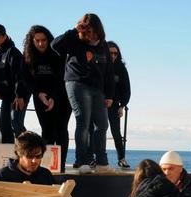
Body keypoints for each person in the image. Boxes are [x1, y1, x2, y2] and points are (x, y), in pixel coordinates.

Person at [51, 13, 114, 174]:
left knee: (102, 125)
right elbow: (55, 45)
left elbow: (108, 72)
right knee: (83, 122)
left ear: (98, 29)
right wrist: (74, 30)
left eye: (90, 30)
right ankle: (82, 161)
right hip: (77, 84)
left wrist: (110, 95)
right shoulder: (75, 41)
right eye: (85, 29)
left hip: (98, 88)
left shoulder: (103, 45)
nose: (88, 33)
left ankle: (101, 162)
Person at [23, 25, 72, 173]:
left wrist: (53, 98)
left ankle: (61, 166)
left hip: (61, 97)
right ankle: (48, 166)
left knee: (61, 129)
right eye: (37, 41)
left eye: (43, 40)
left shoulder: (57, 54)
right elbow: (27, 79)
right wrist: (39, 94)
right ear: (32, 41)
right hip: (40, 98)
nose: (40, 44)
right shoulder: (27, 56)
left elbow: (62, 78)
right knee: (47, 131)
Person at [0, 131, 57, 197]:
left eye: (38, 156)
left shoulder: (46, 175)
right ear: (19, 154)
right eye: (29, 156)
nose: (34, 161)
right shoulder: (2, 176)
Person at [0, 24, 29, 144]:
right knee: (4, 125)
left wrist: (19, 95)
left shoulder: (13, 53)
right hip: (7, 95)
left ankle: (31, 147)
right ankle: (9, 156)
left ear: (4, 36)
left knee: (15, 122)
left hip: (20, 93)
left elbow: (20, 76)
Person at [106, 41, 131, 168]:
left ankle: (121, 158)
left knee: (116, 133)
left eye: (116, 53)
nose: (113, 55)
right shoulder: (99, 65)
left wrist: (122, 105)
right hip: (99, 103)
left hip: (115, 104)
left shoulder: (121, 69)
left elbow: (126, 89)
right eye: (111, 53)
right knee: (95, 131)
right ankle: (93, 158)